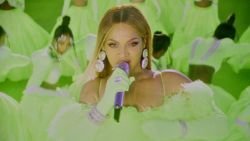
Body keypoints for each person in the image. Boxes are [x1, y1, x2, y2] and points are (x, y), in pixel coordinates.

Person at [47, 5, 230, 141]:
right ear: (102, 47)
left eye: (132, 44)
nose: (123, 54)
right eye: (113, 44)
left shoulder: (169, 80)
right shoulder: (92, 89)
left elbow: (222, 125)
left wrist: (177, 128)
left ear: (144, 43)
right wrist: (103, 105)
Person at [20, 16, 80, 141]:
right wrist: (58, 94)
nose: (65, 48)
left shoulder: (54, 53)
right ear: (54, 40)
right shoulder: (46, 59)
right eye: (62, 43)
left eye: (68, 44)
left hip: (52, 95)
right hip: (42, 103)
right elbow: (30, 88)